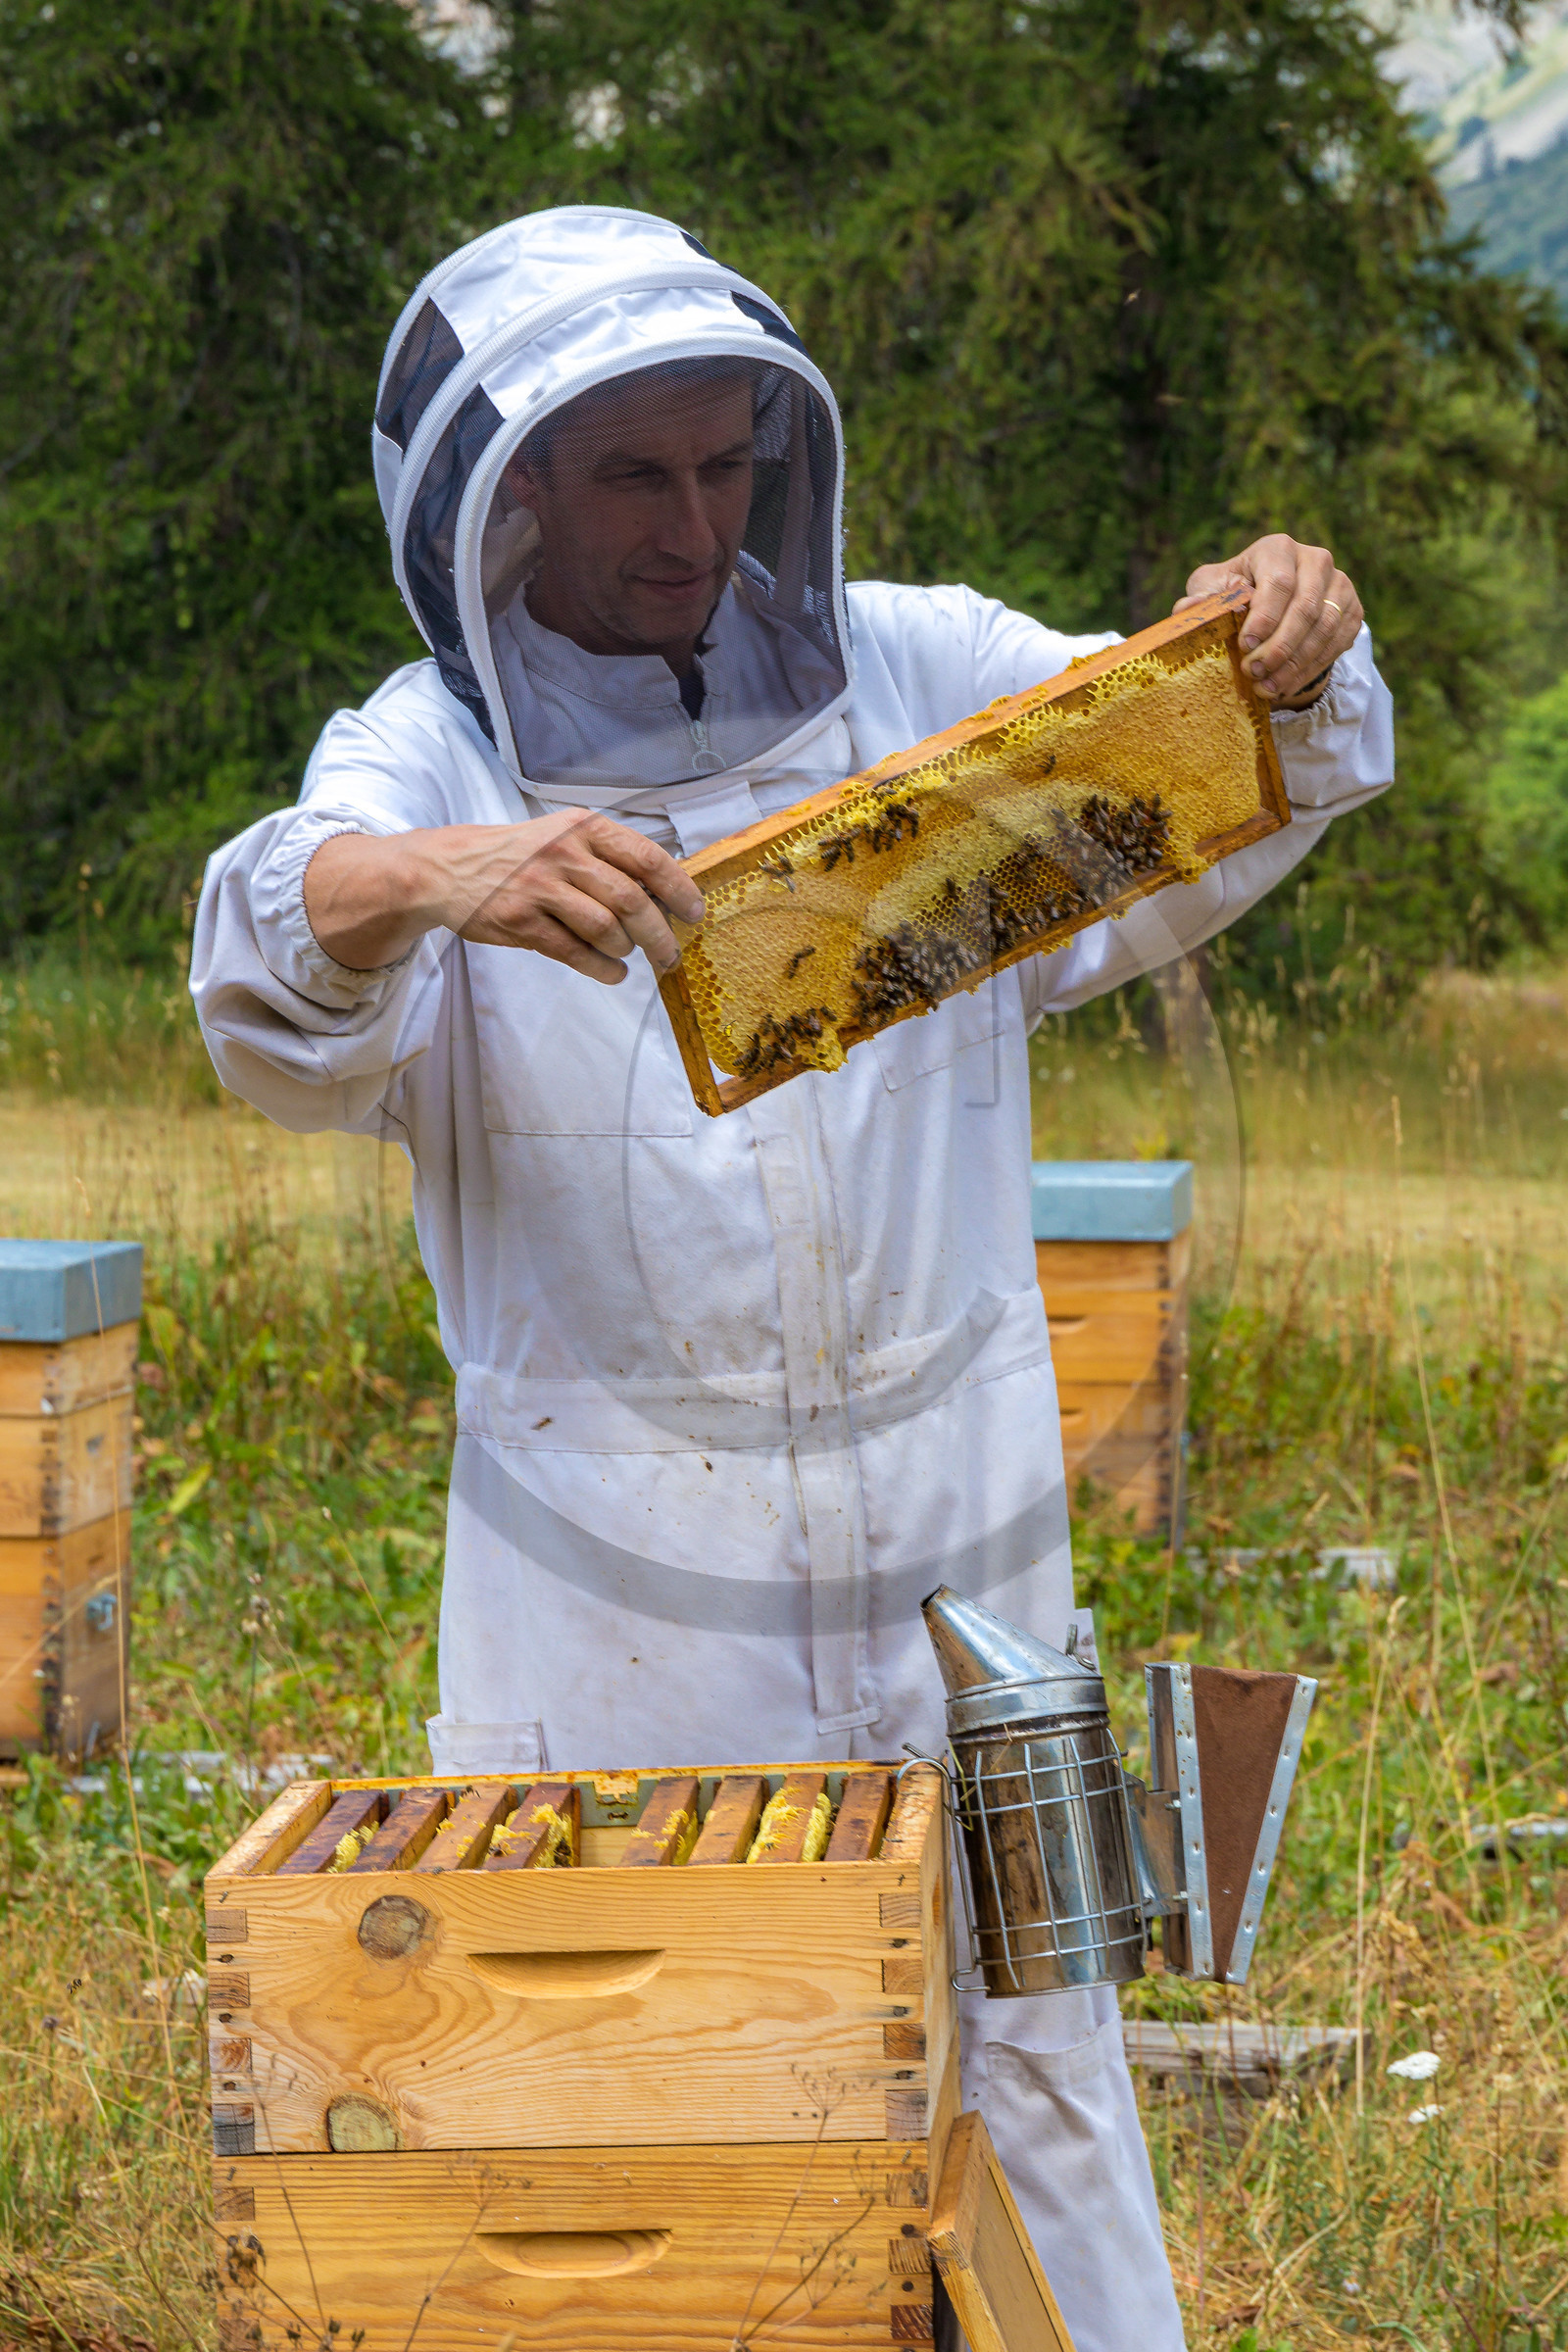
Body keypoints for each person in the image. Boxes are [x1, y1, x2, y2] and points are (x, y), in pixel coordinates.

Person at [192, 206, 1394, 2352]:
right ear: (507, 494)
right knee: (666, 2136)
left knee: (1032, 2072)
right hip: (616, 1603)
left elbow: (1229, 768)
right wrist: (444, 883)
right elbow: (266, 962)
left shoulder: (913, 677)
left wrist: (1282, 637)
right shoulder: (430, 756)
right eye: (633, 477)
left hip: (966, 1539)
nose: (691, 524)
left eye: (725, 465)